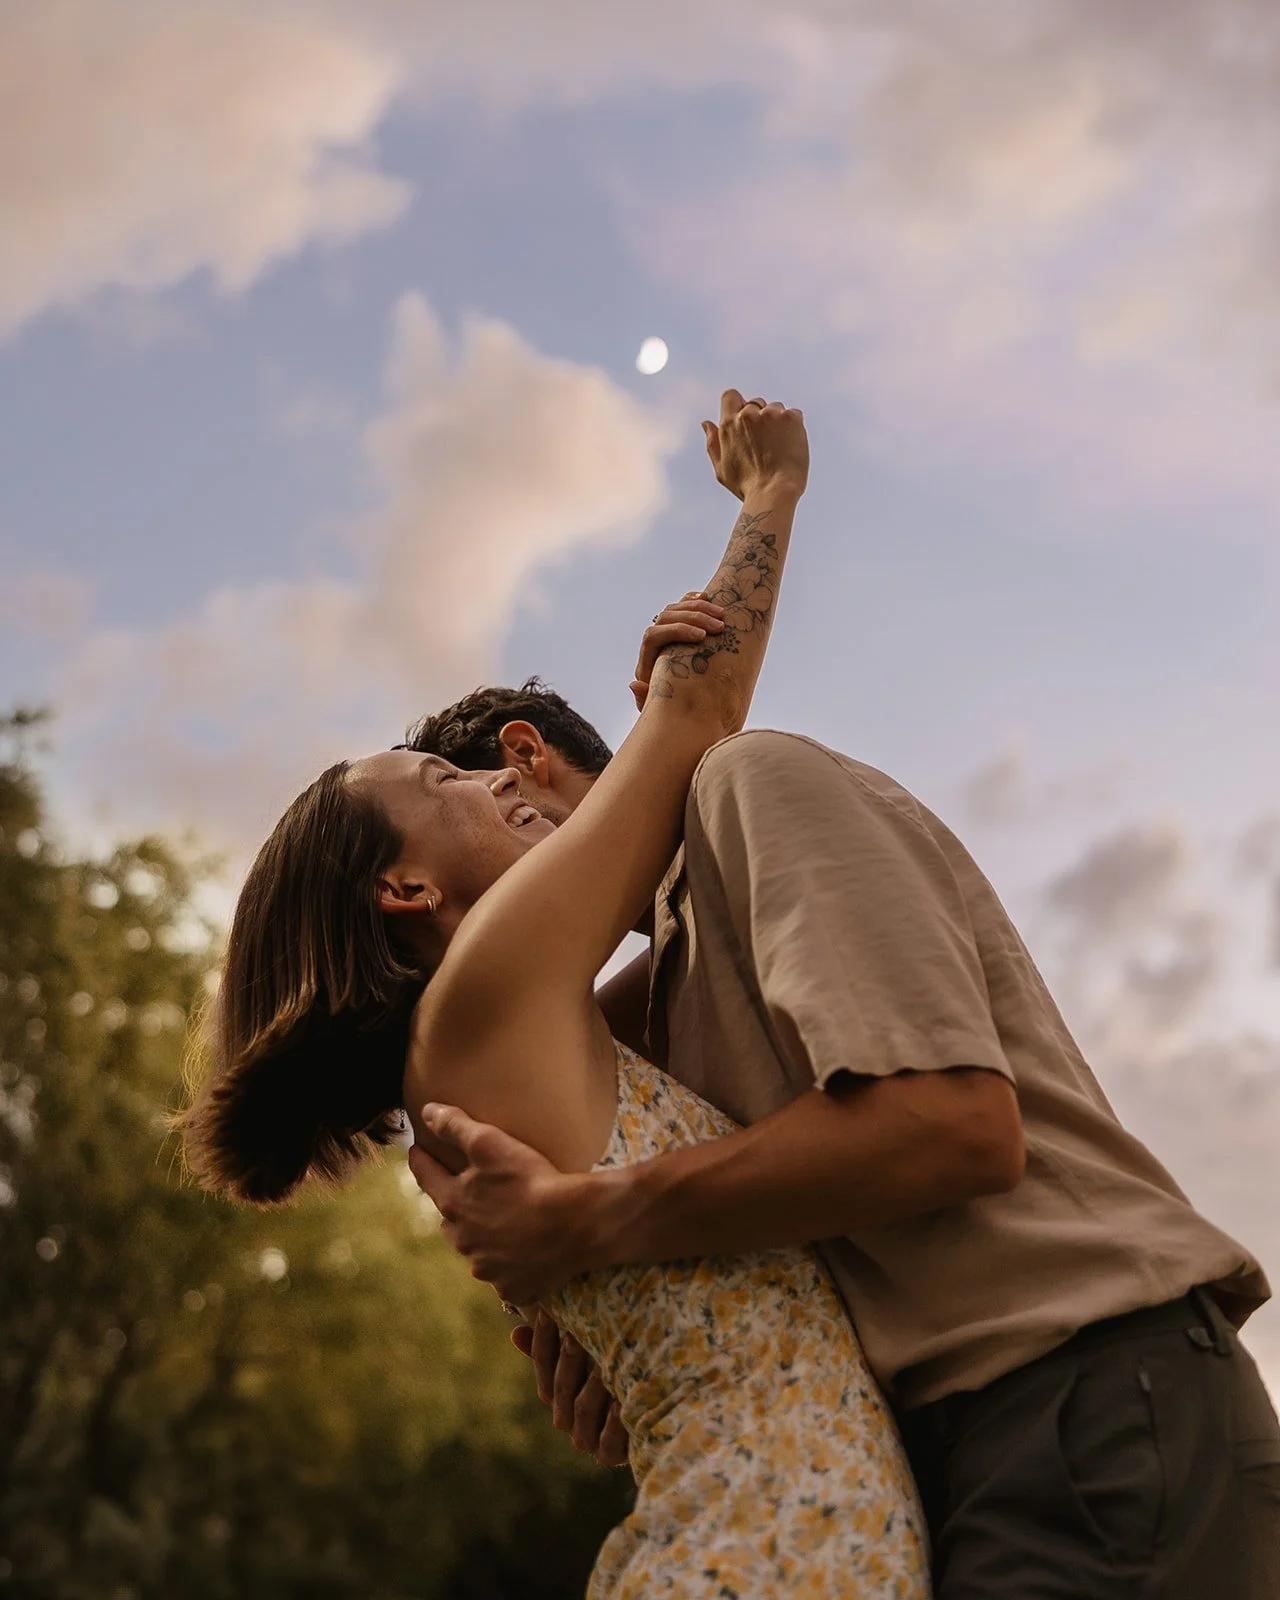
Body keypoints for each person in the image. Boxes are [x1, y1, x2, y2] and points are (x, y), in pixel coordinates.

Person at [180, 391, 932, 1598]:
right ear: (404, 889)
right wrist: (771, 490)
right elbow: (700, 708)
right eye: (441, 782)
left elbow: (696, 957)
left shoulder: (503, 1049)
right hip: (750, 1550)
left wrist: (643, 762)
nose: (490, 781)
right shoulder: (480, 996)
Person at [405, 625, 1280, 1590]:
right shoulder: (652, 1002)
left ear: (523, 760)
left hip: (1081, 1401)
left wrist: (588, 1220)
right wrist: (632, 1341)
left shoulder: (749, 784)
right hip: (955, 1460)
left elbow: (949, 1127)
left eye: (456, 784)